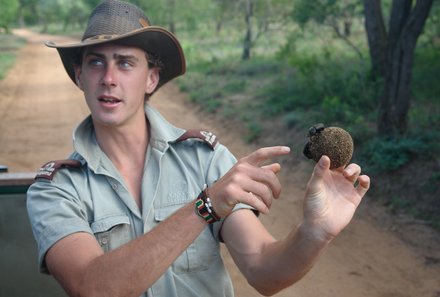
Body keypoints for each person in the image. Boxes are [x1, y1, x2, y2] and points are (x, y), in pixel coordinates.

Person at [26, 1, 370, 297]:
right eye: (96, 62)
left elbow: (265, 271)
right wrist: (204, 207)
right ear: (79, 76)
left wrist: (314, 233)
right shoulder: (55, 189)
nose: (109, 78)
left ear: (151, 78)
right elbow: (92, 288)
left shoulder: (206, 160)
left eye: (125, 62)